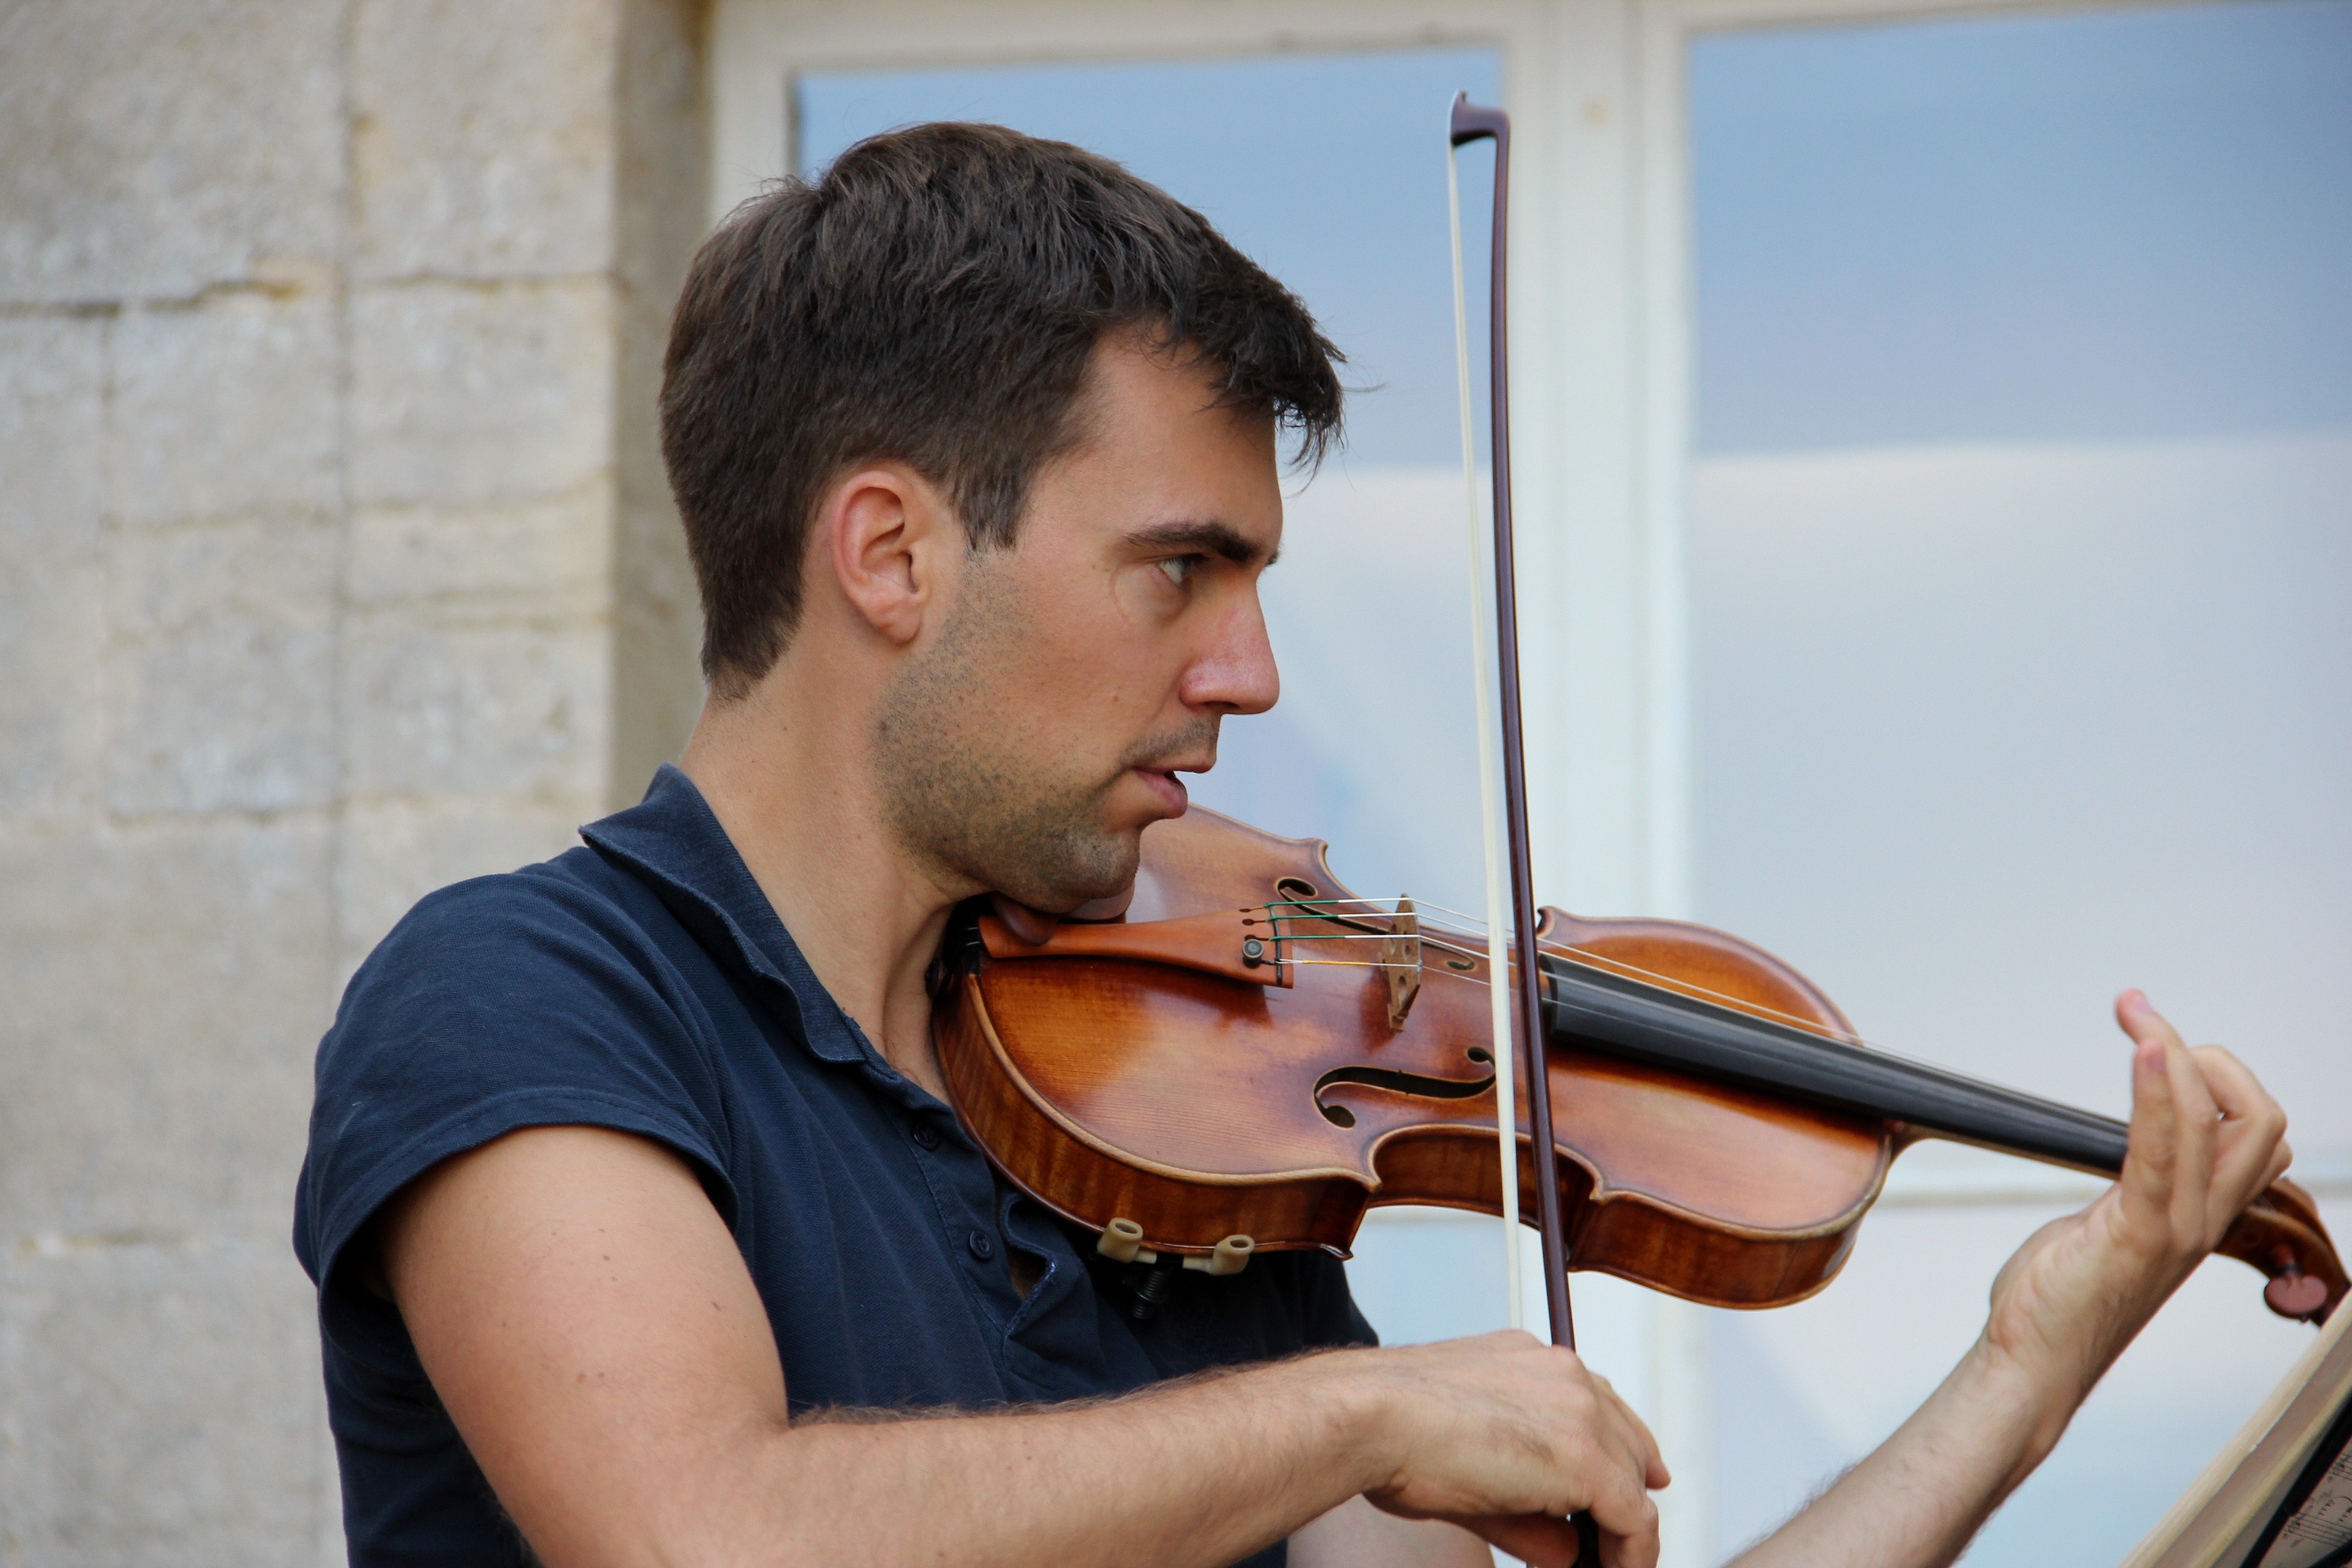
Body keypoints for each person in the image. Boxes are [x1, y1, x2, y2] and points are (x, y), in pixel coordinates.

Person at [294, 122, 2294, 1568]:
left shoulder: (1161, 1143)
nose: (1248, 672)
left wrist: (2029, 1366)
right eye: (1181, 570)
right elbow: (700, 1535)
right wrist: (1363, 1405)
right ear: (891, 551)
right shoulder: (525, 1000)